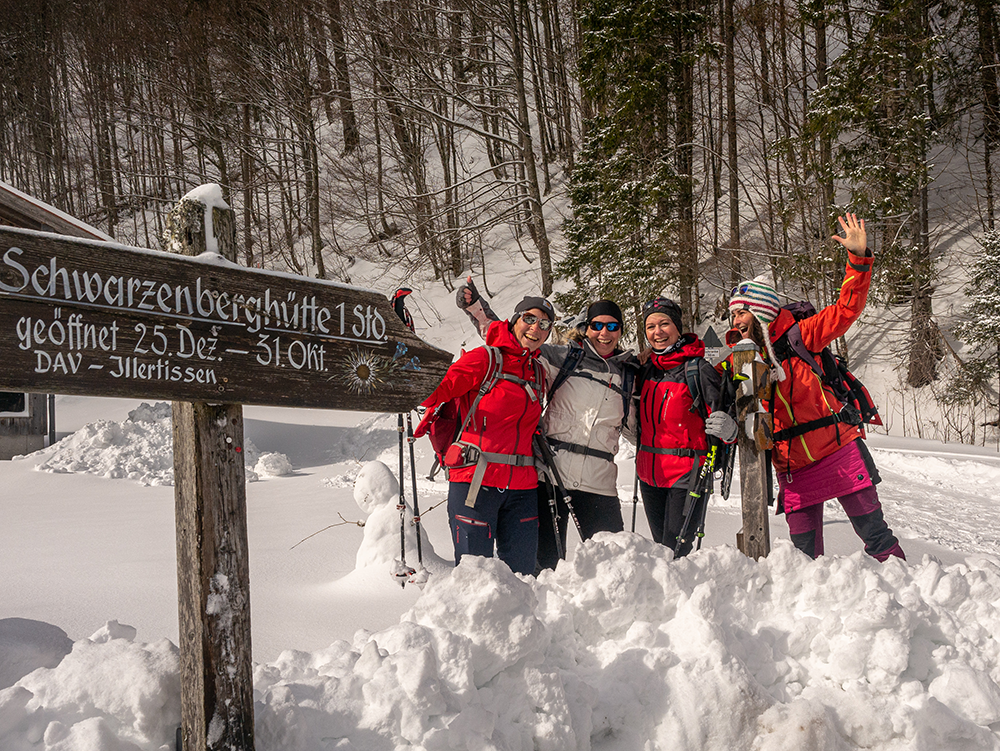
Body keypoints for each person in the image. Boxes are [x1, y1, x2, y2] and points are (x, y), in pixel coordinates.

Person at [727, 213, 905, 561]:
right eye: (733, 315)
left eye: (741, 314)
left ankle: (911, 598)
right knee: (803, 556)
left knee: (875, 535)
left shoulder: (801, 335)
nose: (735, 321)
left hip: (836, 447)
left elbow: (846, 310)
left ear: (761, 311)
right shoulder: (742, 359)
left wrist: (858, 259)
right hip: (791, 465)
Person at [458, 279, 636, 572]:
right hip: (550, 478)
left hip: (599, 483)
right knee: (544, 566)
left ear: (621, 331)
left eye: (613, 326)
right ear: (586, 328)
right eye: (597, 325)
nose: (604, 333)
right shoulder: (562, 358)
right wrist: (477, 308)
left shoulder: (628, 374)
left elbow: (642, 426)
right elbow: (513, 341)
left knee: (613, 566)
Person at [416, 296, 553, 575]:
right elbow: (435, 391)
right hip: (475, 483)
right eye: (529, 319)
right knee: (473, 577)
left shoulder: (538, 372)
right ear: (515, 320)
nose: (535, 328)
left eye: (544, 324)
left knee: (523, 578)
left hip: (523, 488)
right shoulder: (485, 359)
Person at [632, 297, 738, 558]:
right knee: (660, 551)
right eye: (650, 326)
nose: (657, 332)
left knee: (675, 551)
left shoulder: (698, 368)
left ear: (678, 327)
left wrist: (729, 432)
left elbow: (723, 417)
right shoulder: (645, 369)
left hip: (687, 476)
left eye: (664, 324)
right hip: (649, 476)